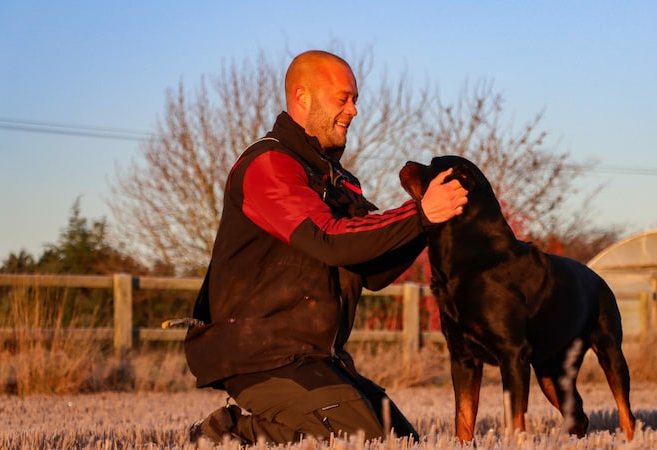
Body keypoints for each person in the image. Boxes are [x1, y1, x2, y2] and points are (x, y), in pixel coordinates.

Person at [184, 50, 468, 445]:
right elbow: (329, 239)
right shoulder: (268, 164)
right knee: (362, 441)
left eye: (355, 99)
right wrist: (421, 214)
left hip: (318, 358)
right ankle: (226, 432)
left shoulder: (340, 181)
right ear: (302, 98)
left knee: (403, 441)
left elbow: (372, 271)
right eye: (343, 98)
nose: (353, 110)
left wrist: (430, 224)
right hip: (261, 356)